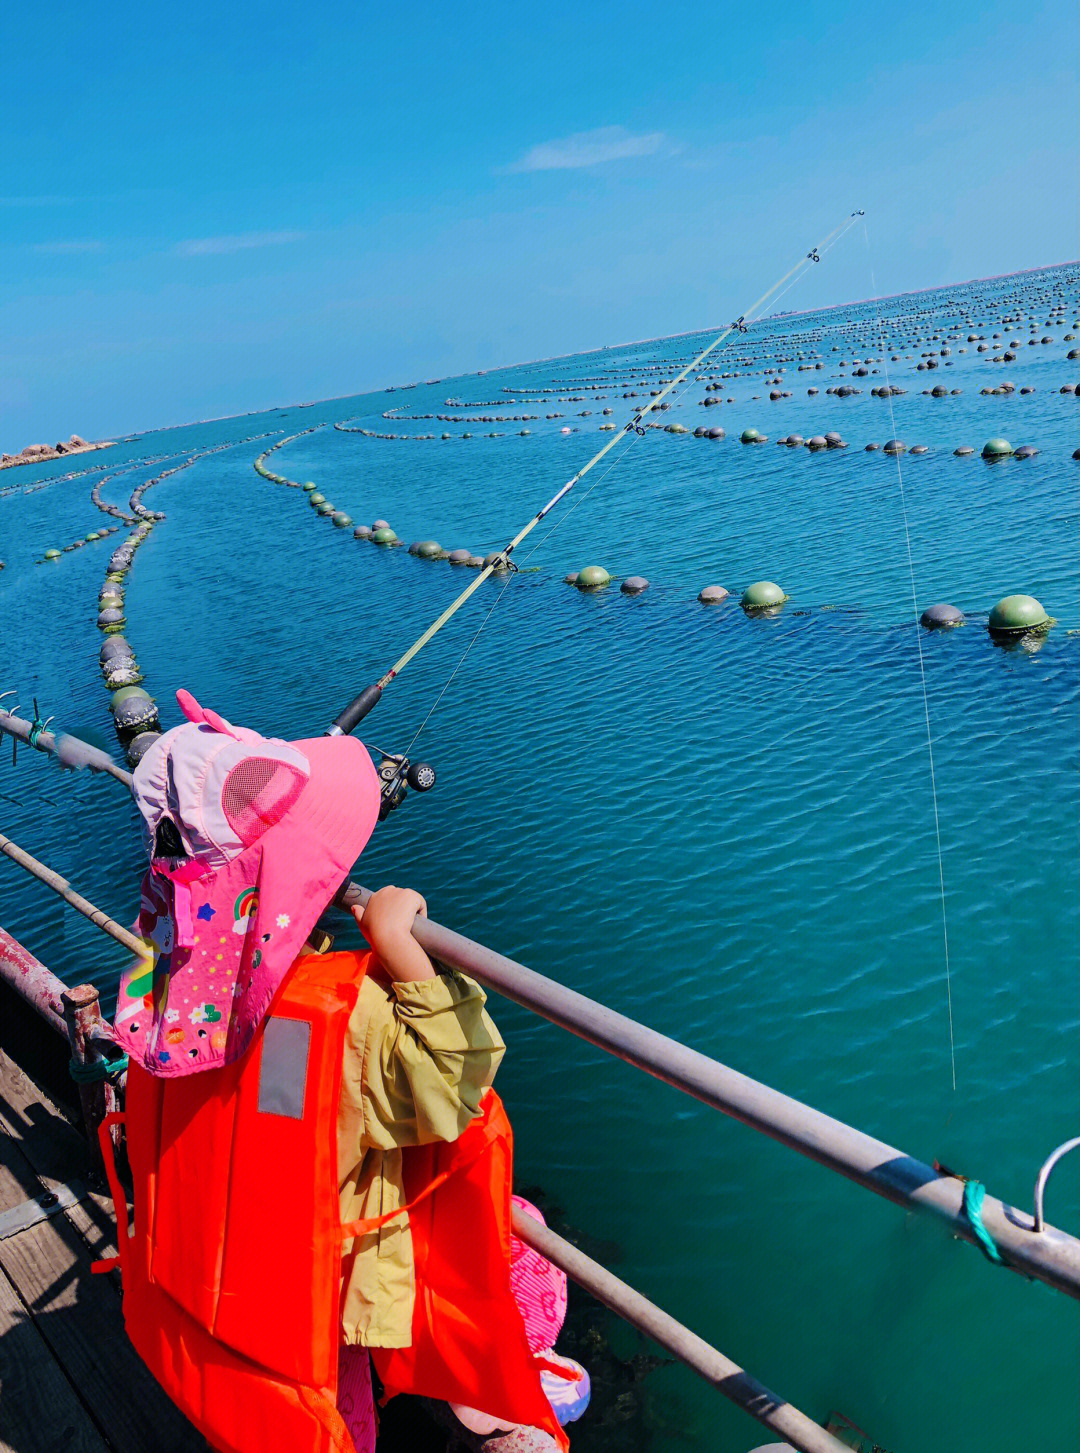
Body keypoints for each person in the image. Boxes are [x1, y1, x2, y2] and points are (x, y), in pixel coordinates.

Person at [108, 690, 575, 1453]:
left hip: (236, 1274)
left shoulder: (166, 987)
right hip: (327, 1269)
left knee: (318, 1410)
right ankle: (493, 1391)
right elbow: (455, 1079)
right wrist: (400, 947)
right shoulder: (346, 1014)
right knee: (524, 1234)